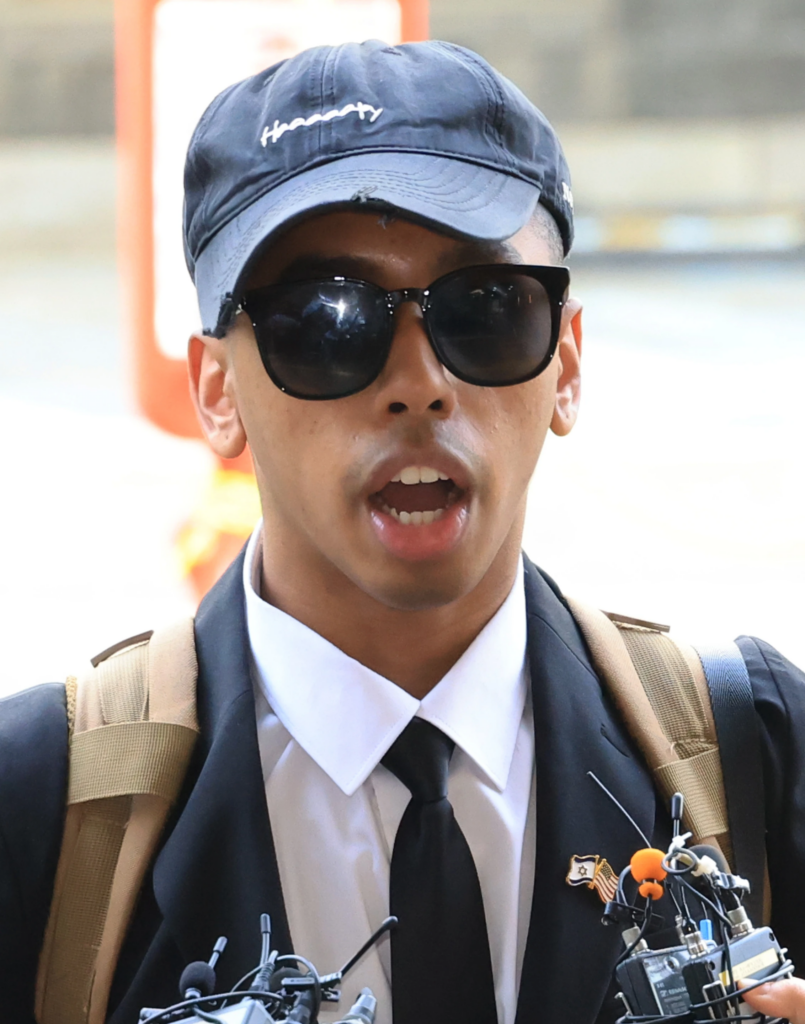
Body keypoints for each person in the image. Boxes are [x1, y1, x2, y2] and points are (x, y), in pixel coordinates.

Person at [2, 39, 805, 1024]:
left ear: (567, 364)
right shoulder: (42, 809)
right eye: (325, 322)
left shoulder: (755, 753)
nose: (419, 384)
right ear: (216, 390)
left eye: (486, 310)